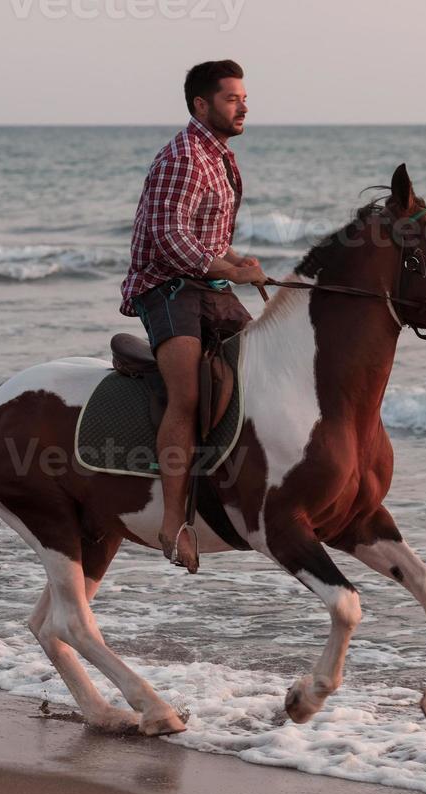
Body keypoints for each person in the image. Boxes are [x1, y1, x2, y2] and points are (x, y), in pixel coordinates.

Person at [119, 59, 266, 574]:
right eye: (232, 98)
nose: (244, 105)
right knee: (186, 392)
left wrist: (233, 263)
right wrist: (226, 266)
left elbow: (204, 240)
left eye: (245, 97)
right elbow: (169, 238)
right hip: (166, 287)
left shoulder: (220, 157)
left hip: (207, 283)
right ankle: (173, 520)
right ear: (202, 105)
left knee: (262, 371)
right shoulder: (183, 155)